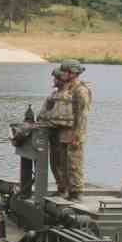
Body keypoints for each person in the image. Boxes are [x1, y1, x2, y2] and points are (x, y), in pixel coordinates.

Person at [39, 60, 91, 197]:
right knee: (62, 164)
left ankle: (76, 193)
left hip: (74, 133)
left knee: (74, 164)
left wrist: (77, 136)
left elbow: (82, 116)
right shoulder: (68, 89)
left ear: (72, 73)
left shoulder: (81, 90)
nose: (62, 75)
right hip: (63, 132)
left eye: (65, 72)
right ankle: (65, 190)